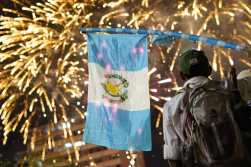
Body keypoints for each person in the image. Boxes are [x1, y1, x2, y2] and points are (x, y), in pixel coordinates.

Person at [162, 49, 248, 167]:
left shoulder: (171, 106)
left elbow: (173, 156)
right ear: (209, 69)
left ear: (181, 75)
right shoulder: (228, 90)